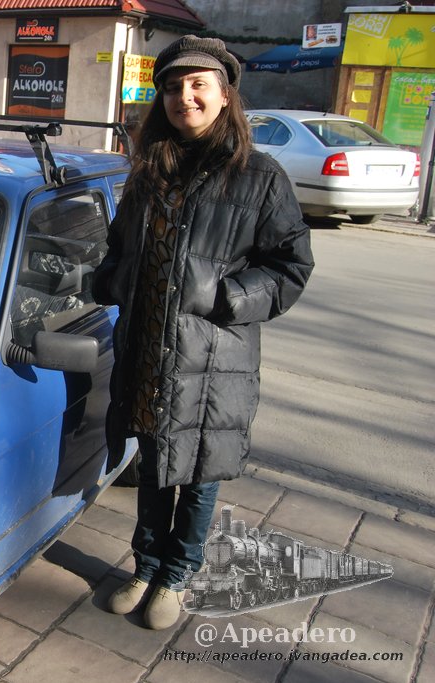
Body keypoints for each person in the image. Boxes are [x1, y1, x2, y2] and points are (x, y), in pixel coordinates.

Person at [92, 35, 313, 630]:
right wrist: (109, 281)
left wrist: (223, 296)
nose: (183, 97)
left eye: (197, 85)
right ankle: (145, 564)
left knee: (196, 470)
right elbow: (119, 248)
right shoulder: (149, 171)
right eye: (172, 86)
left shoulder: (260, 177)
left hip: (212, 356)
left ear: (224, 95)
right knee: (152, 459)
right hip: (146, 346)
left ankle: (177, 573)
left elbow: (291, 267)